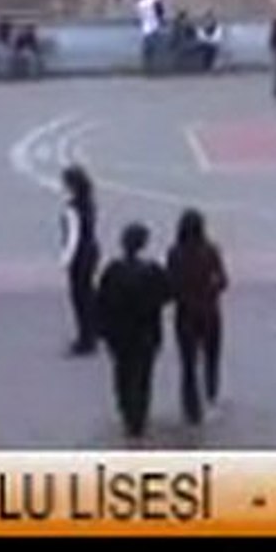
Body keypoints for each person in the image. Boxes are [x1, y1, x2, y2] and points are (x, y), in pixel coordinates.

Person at [95, 222, 173, 442]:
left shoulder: (113, 270)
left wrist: (102, 329)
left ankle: (127, 412)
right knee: (143, 376)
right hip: (146, 332)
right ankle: (139, 417)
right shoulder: (153, 270)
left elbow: (100, 301)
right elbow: (168, 294)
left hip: (119, 333)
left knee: (122, 373)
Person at [166, 209, 228, 426]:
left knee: (188, 363)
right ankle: (211, 391)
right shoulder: (210, 251)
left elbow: (170, 284)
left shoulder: (175, 252)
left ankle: (191, 407)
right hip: (209, 312)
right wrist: (211, 292)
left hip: (185, 314)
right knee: (212, 357)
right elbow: (223, 281)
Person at [59, 165, 100, 355]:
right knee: (88, 294)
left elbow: (73, 237)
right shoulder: (89, 203)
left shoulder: (72, 208)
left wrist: (65, 259)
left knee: (79, 297)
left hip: (80, 255)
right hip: (91, 251)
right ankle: (93, 332)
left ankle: (85, 339)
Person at [136, 0, 163, 74]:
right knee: (156, 49)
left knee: (147, 50)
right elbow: (160, 12)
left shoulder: (139, 3)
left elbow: (139, 16)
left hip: (145, 29)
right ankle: (156, 68)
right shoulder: (154, 1)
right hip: (154, 27)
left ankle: (147, 67)